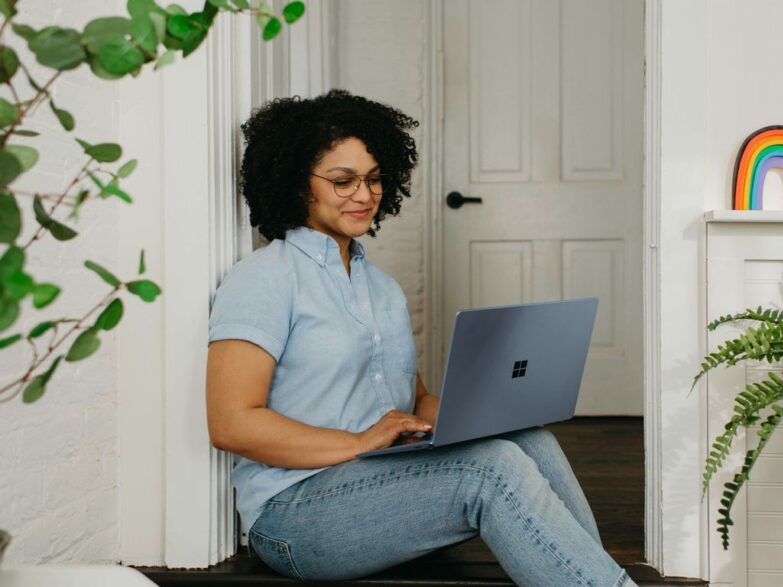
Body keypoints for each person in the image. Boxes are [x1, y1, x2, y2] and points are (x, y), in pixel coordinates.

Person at [205, 89, 637, 586]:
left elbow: (416, 401)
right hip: (294, 511)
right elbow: (232, 424)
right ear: (294, 183)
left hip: (378, 477)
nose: (364, 195)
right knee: (491, 469)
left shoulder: (381, 288)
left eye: (373, 179)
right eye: (343, 181)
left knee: (526, 440)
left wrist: (495, 411)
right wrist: (359, 441)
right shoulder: (263, 279)